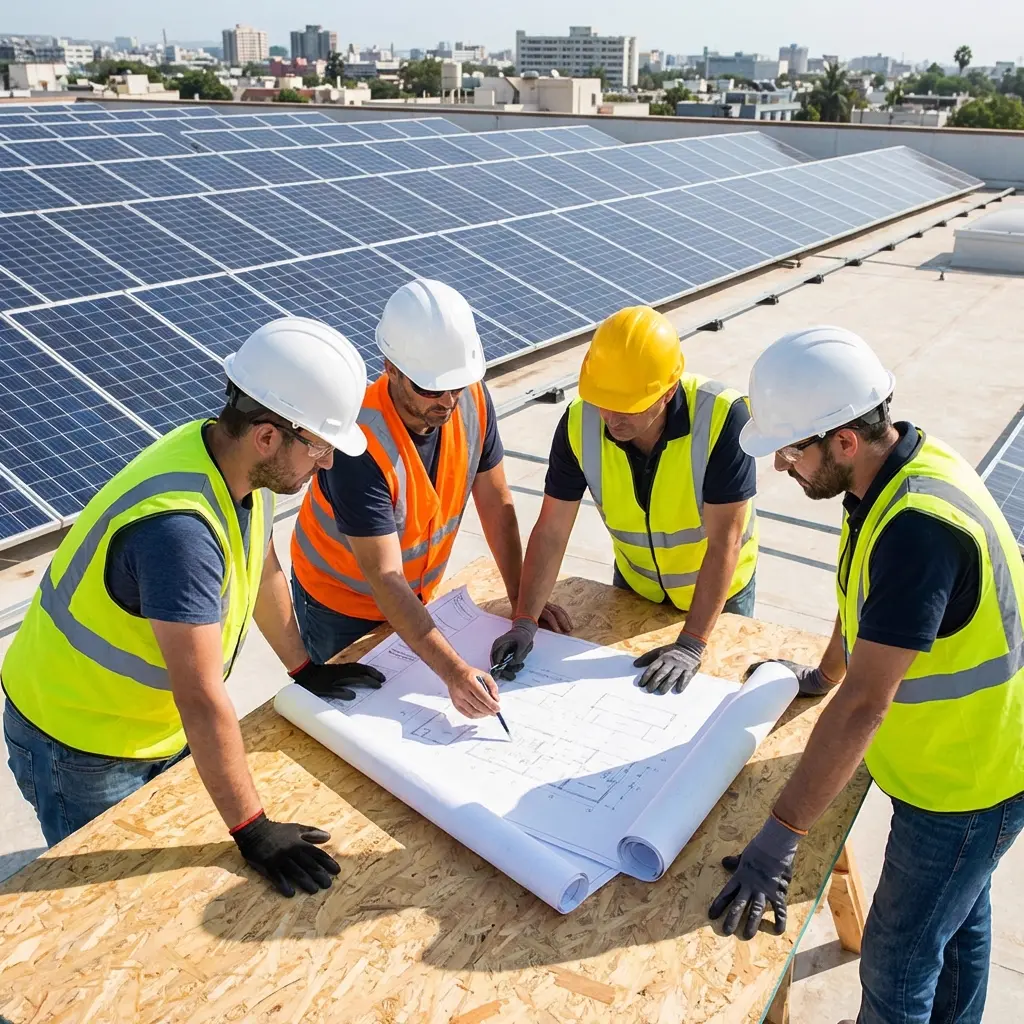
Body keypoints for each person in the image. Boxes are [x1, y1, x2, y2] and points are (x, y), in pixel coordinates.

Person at [3, 317, 386, 898]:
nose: (328, 462)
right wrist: (254, 831)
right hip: (82, 746)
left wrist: (303, 667)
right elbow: (202, 697)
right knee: (105, 902)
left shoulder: (225, 460)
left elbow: (260, 567)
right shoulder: (178, 534)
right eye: (320, 445)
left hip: (134, 725)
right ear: (267, 436)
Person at [708, 326, 1024, 1024]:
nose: (784, 467)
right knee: (958, 920)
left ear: (844, 440)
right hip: (956, 762)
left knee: (898, 963)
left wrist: (781, 834)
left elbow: (864, 708)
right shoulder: (891, 474)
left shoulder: (919, 529)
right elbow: (867, 608)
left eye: (792, 450)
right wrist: (824, 670)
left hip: (968, 783)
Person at [290, 278, 569, 721]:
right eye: (430, 388)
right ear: (391, 368)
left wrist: (523, 605)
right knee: (358, 726)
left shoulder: (471, 399)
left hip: (417, 593)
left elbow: (496, 505)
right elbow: (384, 576)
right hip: (340, 607)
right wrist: (455, 671)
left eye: (456, 384)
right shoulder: (357, 442)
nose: (447, 401)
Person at [490, 305, 758, 695]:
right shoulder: (579, 422)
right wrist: (524, 621)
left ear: (667, 392)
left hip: (722, 596)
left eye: (628, 407)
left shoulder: (722, 417)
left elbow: (725, 542)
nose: (612, 419)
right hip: (636, 587)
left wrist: (692, 643)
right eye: (603, 401)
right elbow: (551, 531)